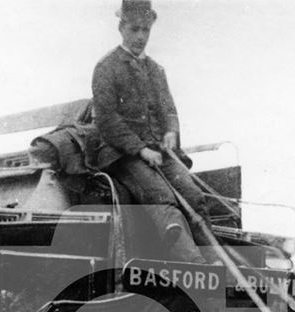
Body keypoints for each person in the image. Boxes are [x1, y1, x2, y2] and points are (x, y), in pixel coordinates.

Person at [90, 0, 219, 264]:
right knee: (162, 198)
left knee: (194, 195)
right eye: (135, 29)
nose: (140, 37)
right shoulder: (106, 68)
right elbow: (107, 120)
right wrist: (140, 149)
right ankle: (195, 267)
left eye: (145, 30)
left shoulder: (156, 71)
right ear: (121, 28)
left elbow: (169, 110)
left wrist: (171, 132)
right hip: (121, 155)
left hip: (159, 153)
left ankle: (216, 260)